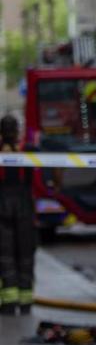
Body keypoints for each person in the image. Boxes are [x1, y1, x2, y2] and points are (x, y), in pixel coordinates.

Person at [0, 115, 35, 316]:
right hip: (24, 206)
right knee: (25, 255)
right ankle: (25, 303)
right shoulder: (29, 149)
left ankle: (8, 304)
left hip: (2, 205)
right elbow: (56, 165)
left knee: (4, 256)